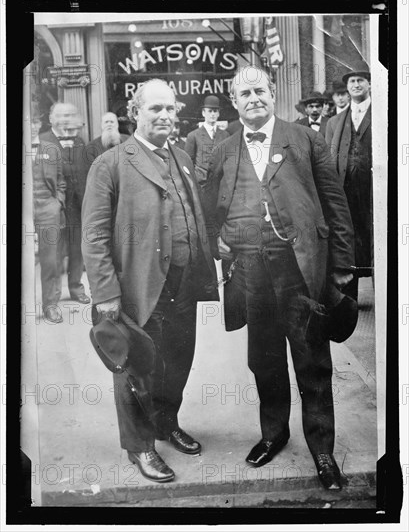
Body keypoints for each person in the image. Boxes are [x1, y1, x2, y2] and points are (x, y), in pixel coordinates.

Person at [203, 66, 354, 490]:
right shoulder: (225, 149)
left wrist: (340, 274)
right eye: (244, 93)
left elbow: (337, 211)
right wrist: (218, 239)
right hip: (250, 268)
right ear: (235, 101)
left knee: (311, 359)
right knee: (264, 357)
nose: (253, 98)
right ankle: (273, 433)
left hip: (297, 267)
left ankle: (323, 449)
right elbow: (210, 206)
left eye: (260, 91)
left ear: (273, 95)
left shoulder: (306, 139)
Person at [82, 79, 218, 483]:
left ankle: (166, 422)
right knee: (136, 367)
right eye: (155, 108)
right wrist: (106, 292)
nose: (164, 116)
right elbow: (93, 235)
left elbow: (194, 215)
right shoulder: (110, 163)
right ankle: (141, 447)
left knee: (178, 361)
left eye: (170, 109)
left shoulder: (182, 157)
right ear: (134, 113)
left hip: (184, 283)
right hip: (138, 287)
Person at [326, 67, 372, 300]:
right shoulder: (335, 122)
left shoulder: (382, 113)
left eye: (360, 80)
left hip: (374, 193)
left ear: (369, 84)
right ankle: (350, 303)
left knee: (376, 241)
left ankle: (386, 300)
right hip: (345, 193)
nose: (355, 85)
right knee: (348, 241)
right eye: (352, 81)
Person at [40, 102, 91, 304]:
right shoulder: (42, 141)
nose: (65, 120)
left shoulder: (79, 141)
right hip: (53, 208)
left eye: (70, 115)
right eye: (61, 116)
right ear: (51, 119)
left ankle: (76, 288)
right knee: (53, 255)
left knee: (77, 251)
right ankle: (51, 298)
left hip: (77, 207)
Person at [31, 105, 66, 323]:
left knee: (50, 260)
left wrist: (57, 202)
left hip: (47, 208)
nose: (31, 125)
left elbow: (61, 180)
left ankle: (50, 305)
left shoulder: (51, 149)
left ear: (38, 123)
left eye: (34, 121)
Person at [184, 95, 230, 186]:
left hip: (220, 184)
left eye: (215, 111)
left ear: (218, 114)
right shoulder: (193, 135)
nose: (212, 114)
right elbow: (187, 163)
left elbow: (228, 161)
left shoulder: (225, 135)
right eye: (210, 111)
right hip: (201, 185)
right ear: (203, 113)